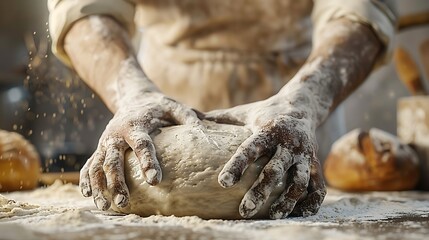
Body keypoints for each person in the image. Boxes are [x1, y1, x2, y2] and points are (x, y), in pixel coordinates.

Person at [48, 0, 395, 219]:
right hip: (160, 103)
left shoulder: (300, 105)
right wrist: (131, 94)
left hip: (294, 109)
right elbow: (85, 9)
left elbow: (363, 9)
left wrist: (304, 101)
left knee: (287, 193)